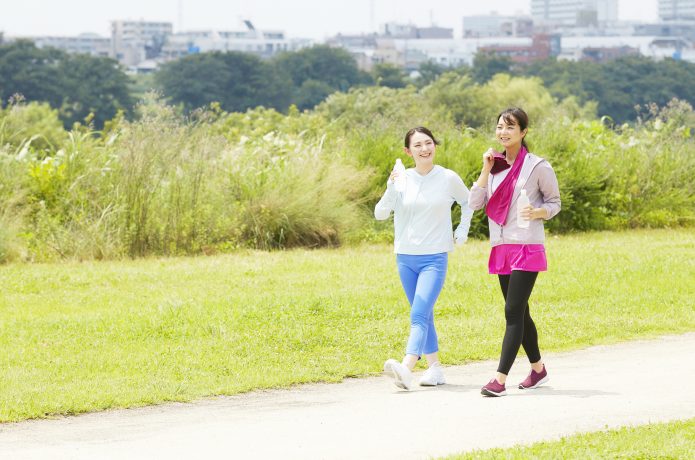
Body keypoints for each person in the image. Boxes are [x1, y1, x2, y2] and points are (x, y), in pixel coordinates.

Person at [468, 107, 561, 397]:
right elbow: (475, 203)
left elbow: (555, 202)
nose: (503, 132)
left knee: (512, 311)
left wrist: (539, 212)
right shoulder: (493, 167)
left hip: (527, 246)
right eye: (500, 127)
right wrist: (485, 169)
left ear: (523, 132)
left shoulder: (537, 166)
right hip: (501, 247)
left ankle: (499, 379)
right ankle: (538, 369)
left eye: (510, 127)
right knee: (522, 312)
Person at [375, 127, 473, 390]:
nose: (424, 149)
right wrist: (390, 188)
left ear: (435, 146)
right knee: (423, 313)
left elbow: (468, 202)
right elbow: (380, 214)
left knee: (418, 313)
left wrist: (462, 229)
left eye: (428, 143)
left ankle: (406, 368)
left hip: (434, 256)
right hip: (405, 257)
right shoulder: (402, 179)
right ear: (408, 151)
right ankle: (435, 369)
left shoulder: (448, 177)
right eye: (417, 145)